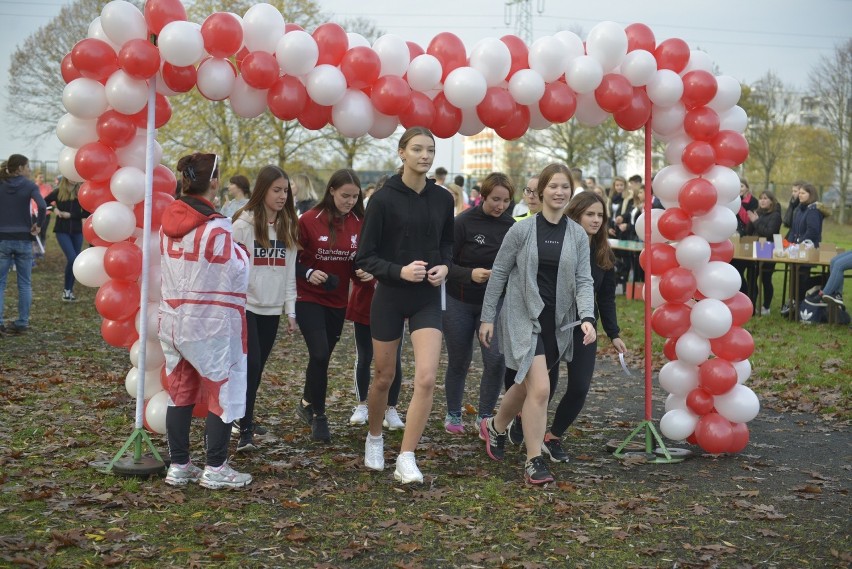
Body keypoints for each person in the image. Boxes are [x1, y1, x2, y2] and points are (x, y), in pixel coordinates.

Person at [478, 163, 595, 485]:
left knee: (524, 384)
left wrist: (587, 317)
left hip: (557, 322)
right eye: (554, 186)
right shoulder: (521, 230)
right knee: (541, 388)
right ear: (541, 190)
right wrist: (487, 317)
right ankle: (534, 460)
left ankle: (495, 426)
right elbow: (499, 272)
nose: (559, 192)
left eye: (565, 187)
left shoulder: (576, 234)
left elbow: (584, 280)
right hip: (521, 316)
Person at [355, 127, 454, 484]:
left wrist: (445, 265)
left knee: (426, 378)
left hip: (427, 297)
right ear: (401, 153)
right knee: (384, 376)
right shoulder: (382, 200)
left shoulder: (443, 199)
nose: (425, 156)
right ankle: (375, 436)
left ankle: (407, 456)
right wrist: (398, 270)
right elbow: (365, 257)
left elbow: (447, 245)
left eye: (430, 150)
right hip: (390, 297)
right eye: (417, 149)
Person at [160, 152, 252, 489]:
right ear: (213, 182)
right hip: (212, 320)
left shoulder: (166, 221)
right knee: (222, 391)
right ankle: (216, 466)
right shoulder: (216, 225)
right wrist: (242, 252)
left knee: (179, 391)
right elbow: (237, 272)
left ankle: (180, 464)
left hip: (173, 318)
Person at [540, 192, 627, 462]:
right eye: (590, 214)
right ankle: (524, 421)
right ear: (575, 214)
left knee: (579, 386)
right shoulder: (558, 246)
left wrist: (614, 333)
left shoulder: (603, 254)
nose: (596, 220)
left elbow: (606, 297)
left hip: (584, 328)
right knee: (545, 386)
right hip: (551, 324)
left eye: (600, 215)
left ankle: (552, 437)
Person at [294, 169, 371, 442]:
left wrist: (364, 272)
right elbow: (291, 259)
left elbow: (360, 261)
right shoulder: (308, 220)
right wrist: (306, 273)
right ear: (331, 192)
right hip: (308, 297)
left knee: (322, 357)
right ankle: (319, 416)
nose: (349, 201)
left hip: (337, 300)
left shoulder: (360, 223)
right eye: (344, 195)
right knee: (319, 353)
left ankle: (305, 401)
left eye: (355, 196)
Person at [231, 165, 299, 451]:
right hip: (246, 307)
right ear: (262, 191)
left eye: (286, 191)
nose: (282, 196)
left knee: (257, 370)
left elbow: (289, 271)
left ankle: (242, 418)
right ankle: (243, 428)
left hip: (272, 308)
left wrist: (291, 310)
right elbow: (231, 269)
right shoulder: (243, 225)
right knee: (251, 364)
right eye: (276, 190)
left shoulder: (288, 225)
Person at [443, 172, 515, 435]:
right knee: (459, 360)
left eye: (506, 201)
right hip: (459, 300)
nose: (500, 206)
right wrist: (468, 274)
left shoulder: (511, 226)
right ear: (482, 196)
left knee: (495, 359)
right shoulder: (462, 222)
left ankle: (485, 416)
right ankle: (453, 414)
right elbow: (444, 263)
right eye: (495, 199)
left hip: (495, 303)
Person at [0, 154, 45, 335]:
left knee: (0, 283)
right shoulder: (29, 185)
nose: (29, 170)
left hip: (2, 238)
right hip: (24, 239)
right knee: (24, 284)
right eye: (27, 167)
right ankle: (22, 323)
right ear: (19, 168)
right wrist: (39, 225)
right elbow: (42, 206)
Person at [783, 183, 829, 314]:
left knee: (802, 279)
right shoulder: (799, 209)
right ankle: (795, 304)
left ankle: (823, 280)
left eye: (803, 193)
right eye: (799, 193)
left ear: (811, 195)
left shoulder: (813, 211)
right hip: (795, 249)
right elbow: (793, 230)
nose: (799, 195)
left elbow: (812, 231)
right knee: (794, 277)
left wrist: (799, 244)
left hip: (808, 249)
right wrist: (788, 244)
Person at [44, 177, 89, 301]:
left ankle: (68, 290)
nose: (73, 179)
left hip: (77, 231)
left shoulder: (81, 193)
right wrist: (54, 209)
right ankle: (67, 290)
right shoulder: (58, 192)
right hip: (61, 230)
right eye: (70, 176)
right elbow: (44, 203)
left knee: (75, 262)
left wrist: (71, 215)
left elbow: (86, 213)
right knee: (72, 258)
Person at [745, 190, 782, 315]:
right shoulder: (758, 213)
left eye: (766, 198)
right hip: (754, 249)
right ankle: (751, 306)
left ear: (772, 201)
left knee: (765, 279)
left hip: (769, 250)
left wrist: (756, 221)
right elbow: (749, 232)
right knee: (751, 277)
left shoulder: (775, 216)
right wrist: (751, 220)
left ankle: (766, 306)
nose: (762, 201)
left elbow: (768, 232)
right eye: (761, 198)